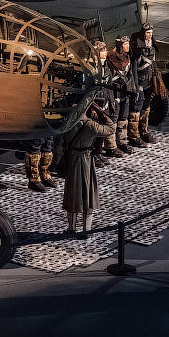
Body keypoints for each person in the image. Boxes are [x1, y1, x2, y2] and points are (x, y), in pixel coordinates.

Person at [63, 92, 114, 235]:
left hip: (72, 160)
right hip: (86, 161)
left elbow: (60, 144)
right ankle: (86, 230)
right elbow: (111, 129)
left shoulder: (67, 123)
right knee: (88, 196)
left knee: (72, 195)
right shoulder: (90, 125)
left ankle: (71, 228)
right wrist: (101, 113)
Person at [129, 24, 164, 144]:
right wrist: (136, 86)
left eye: (151, 33)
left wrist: (157, 76)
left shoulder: (151, 45)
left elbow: (153, 63)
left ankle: (144, 132)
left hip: (149, 82)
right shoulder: (136, 47)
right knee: (136, 110)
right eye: (148, 33)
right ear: (143, 33)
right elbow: (133, 69)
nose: (150, 35)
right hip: (139, 83)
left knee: (146, 108)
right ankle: (134, 136)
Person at [102, 35, 136, 156]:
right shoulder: (111, 58)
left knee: (123, 117)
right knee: (113, 118)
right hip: (114, 92)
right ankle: (111, 146)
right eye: (125, 44)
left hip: (124, 91)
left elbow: (130, 74)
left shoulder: (127, 56)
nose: (127, 46)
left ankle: (122, 141)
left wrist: (133, 89)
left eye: (128, 44)